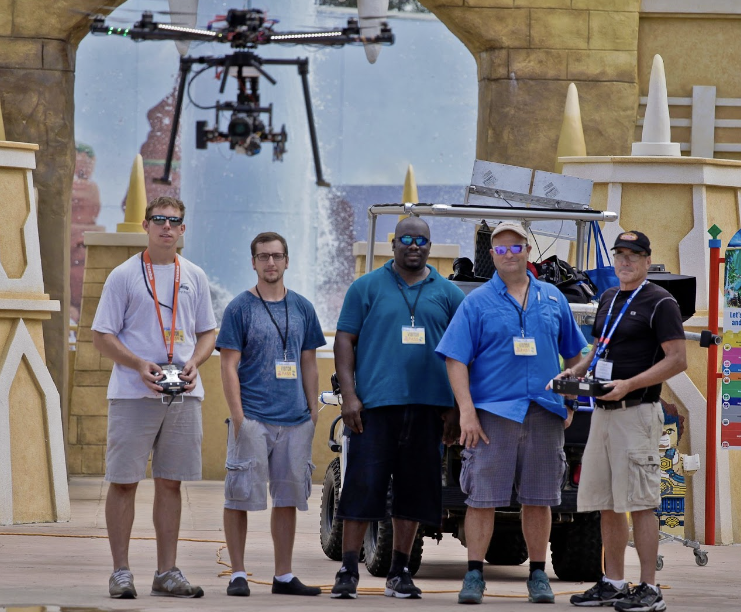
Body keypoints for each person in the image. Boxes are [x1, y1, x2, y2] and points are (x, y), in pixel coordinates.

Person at [436, 221, 587, 605]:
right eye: (500, 249)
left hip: (543, 412)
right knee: (482, 498)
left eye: (515, 247)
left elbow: (577, 353)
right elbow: (455, 359)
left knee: (540, 498)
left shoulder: (553, 299)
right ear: (492, 255)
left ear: (527, 251)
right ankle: (474, 576)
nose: (507, 254)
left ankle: (538, 575)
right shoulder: (476, 302)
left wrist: (569, 399)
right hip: (493, 417)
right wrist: (466, 412)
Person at [331, 216, 464, 600]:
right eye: (406, 238)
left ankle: (401, 570)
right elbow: (344, 340)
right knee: (361, 488)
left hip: (429, 410)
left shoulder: (449, 292)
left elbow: (464, 352)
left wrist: (456, 406)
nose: (413, 245)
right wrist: (350, 396)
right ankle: (348, 570)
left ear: (429, 245)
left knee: (415, 492)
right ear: (393, 243)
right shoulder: (366, 287)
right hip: (374, 408)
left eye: (421, 239)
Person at [92, 196, 217, 599]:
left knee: (170, 483)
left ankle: (167, 572)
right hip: (133, 393)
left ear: (183, 230)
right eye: (159, 220)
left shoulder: (194, 274)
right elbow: (102, 336)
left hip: (183, 393)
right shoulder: (124, 275)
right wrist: (137, 363)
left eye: (174, 221)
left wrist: (196, 362)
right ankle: (121, 572)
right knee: (124, 481)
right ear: (146, 225)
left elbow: (208, 332)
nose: (166, 227)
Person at [558, 230, 686, 612]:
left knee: (641, 502)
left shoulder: (661, 302)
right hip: (602, 413)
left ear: (648, 260)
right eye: (620, 254)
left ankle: (649, 588)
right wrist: (573, 375)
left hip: (637, 414)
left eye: (634, 255)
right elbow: (597, 350)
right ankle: (613, 581)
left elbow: (677, 360)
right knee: (607, 503)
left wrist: (629, 384)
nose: (625, 261)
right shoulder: (610, 298)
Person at [216, 231, 326, 597]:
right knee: (239, 496)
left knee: (288, 499)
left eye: (277, 256)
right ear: (253, 262)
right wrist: (239, 417)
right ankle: (238, 574)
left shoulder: (303, 308)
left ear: (287, 260)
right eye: (263, 257)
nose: (271, 263)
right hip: (254, 418)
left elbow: (308, 360)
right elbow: (228, 365)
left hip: (295, 420)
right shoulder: (239, 308)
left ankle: (283, 575)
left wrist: (312, 410)